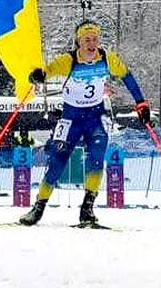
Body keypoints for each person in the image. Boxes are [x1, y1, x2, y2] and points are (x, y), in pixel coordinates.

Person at [20, 19, 150, 226]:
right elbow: (45, 73)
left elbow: (127, 76)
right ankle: (38, 207)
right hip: (70, 119)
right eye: (87, 39)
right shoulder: (68, 60)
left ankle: (87, 208)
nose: (91, 44)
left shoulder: (107, 59)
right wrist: (36, 76)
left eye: (95, 39)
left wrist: (141, 102)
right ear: (79, 42)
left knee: (97, 159)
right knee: (57, 162)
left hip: (94, 118)